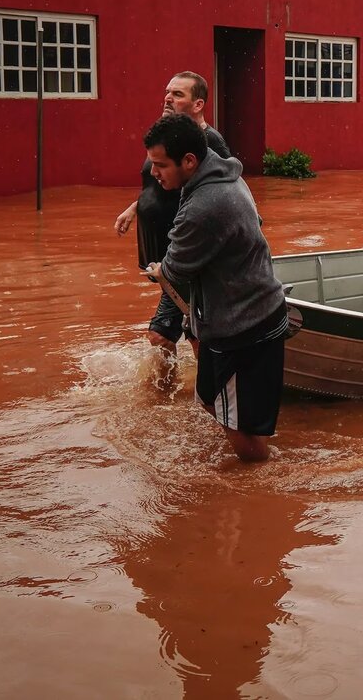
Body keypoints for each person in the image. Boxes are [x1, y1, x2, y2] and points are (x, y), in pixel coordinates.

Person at [142, 113, 287, 463]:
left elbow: (174, 270)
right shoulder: (224, 175)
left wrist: (161, 267)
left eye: (160, 165)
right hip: (238, 314)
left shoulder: (205, 205)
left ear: (189, 160)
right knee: (209, 399)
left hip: (243, 327)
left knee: (238, 429)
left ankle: (259, 486)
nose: (153, 173)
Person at [115, 72, 232, 355]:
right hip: (169, 254)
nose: (168, 98)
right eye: (167, 92)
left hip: (188, 256)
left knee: (162, 336)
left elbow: (226, 192)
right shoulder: (168, 136)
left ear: (198, 104)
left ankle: (189, 392)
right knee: (192, 326)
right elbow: (159, 181)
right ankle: (196, 388)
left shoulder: (209, 143)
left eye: (178, 94)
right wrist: (136, 208)